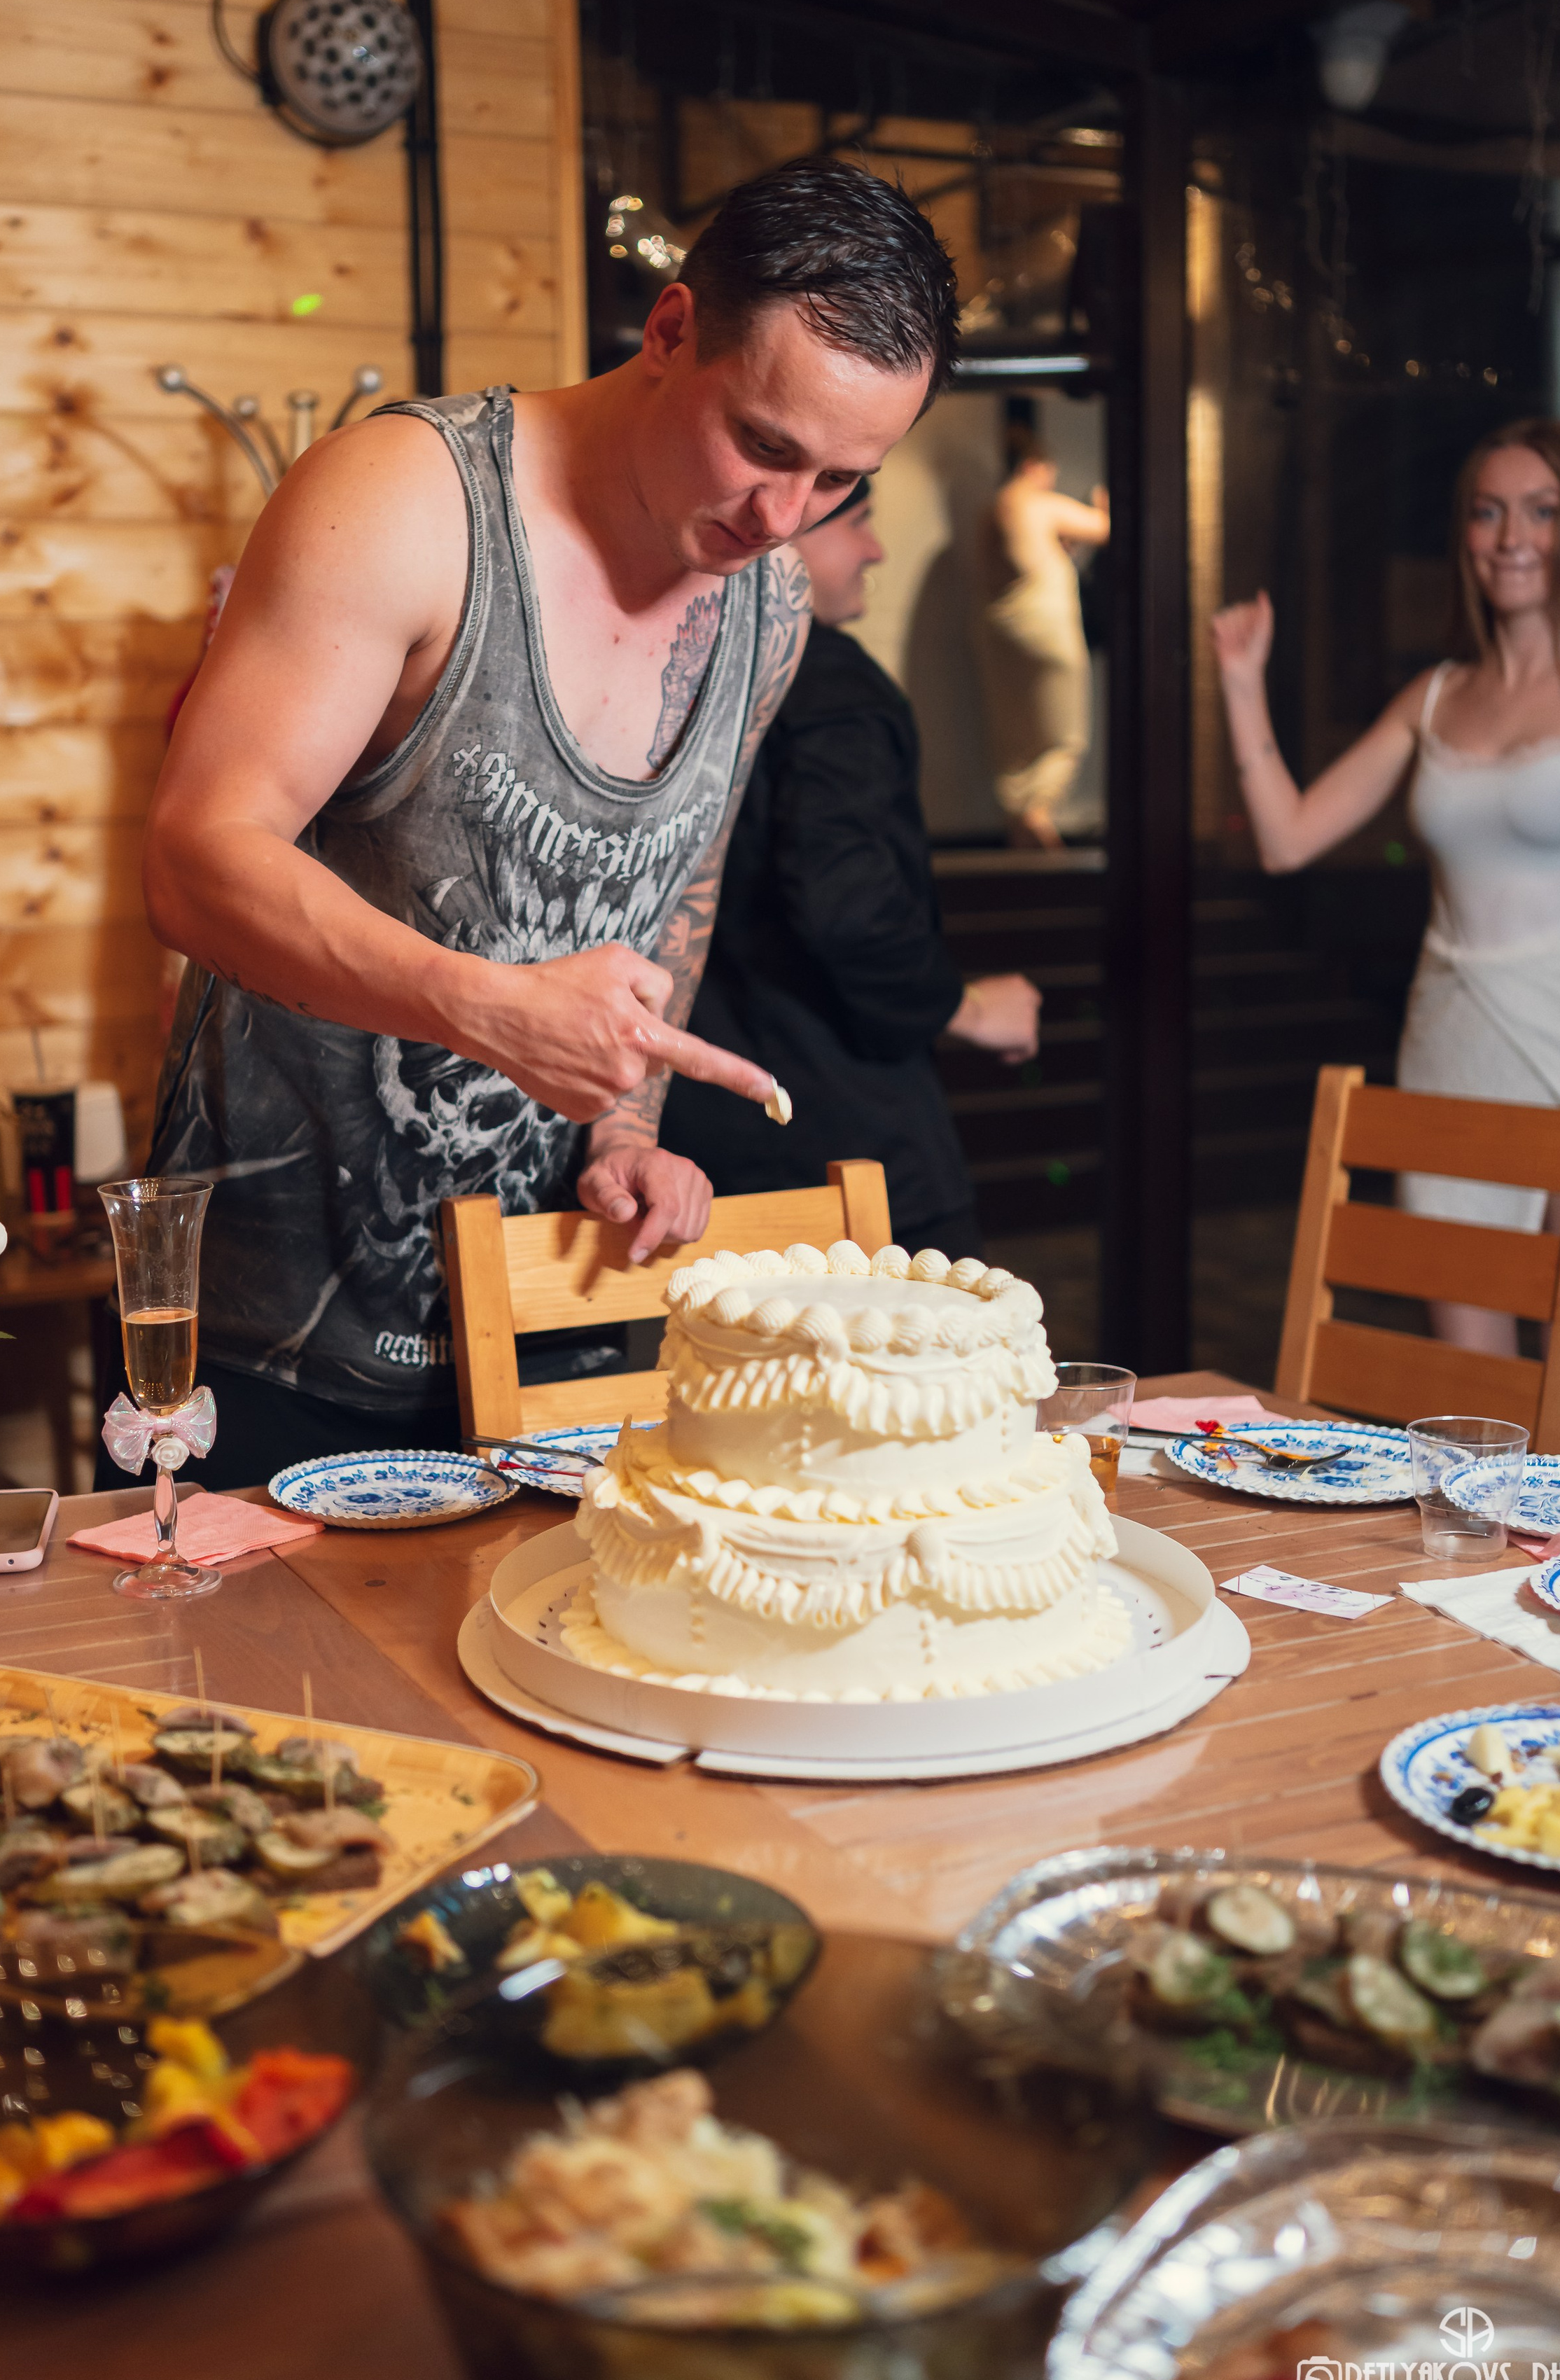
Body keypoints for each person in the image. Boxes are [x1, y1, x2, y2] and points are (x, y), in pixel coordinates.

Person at [124, 158, 959, 1487]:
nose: (781, 518)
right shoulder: (402, 503)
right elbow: (194, 859)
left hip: (545, 1330)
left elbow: (675, 892)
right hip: (268, 1329)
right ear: (672, 331)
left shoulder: (772, 608)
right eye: (764, 446)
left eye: (842, 483)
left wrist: (626, 1135)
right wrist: (487, 1006)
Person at [1213, 417, 1560, 1466]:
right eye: (1487, 509)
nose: (1509, 535)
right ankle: (1490, 1630)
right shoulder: (1434, 694)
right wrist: (1244, 683)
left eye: (1540, 510)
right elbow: (1290, 840)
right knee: (1478, 1420)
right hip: (1449, 1054)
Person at [660, 482, 1040, 1262]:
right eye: (859, 522)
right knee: (931, 1374)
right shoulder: (831, 683)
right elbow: (848, 904)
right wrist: (961, 1008)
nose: (875, 550)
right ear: (779, 534)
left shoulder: (671, 662)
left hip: (690, 1139)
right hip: (842, 1142)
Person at [976, 424, 1110, 848]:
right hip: (1046, 627)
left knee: (1017, 730)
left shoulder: (994, 507)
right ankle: (1038, 818)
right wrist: (1106, 504)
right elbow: (1104, 528)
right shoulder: (1036, 501)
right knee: (1064, 732)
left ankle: (1022, 821)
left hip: (1003, 629)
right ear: (1034, 466)